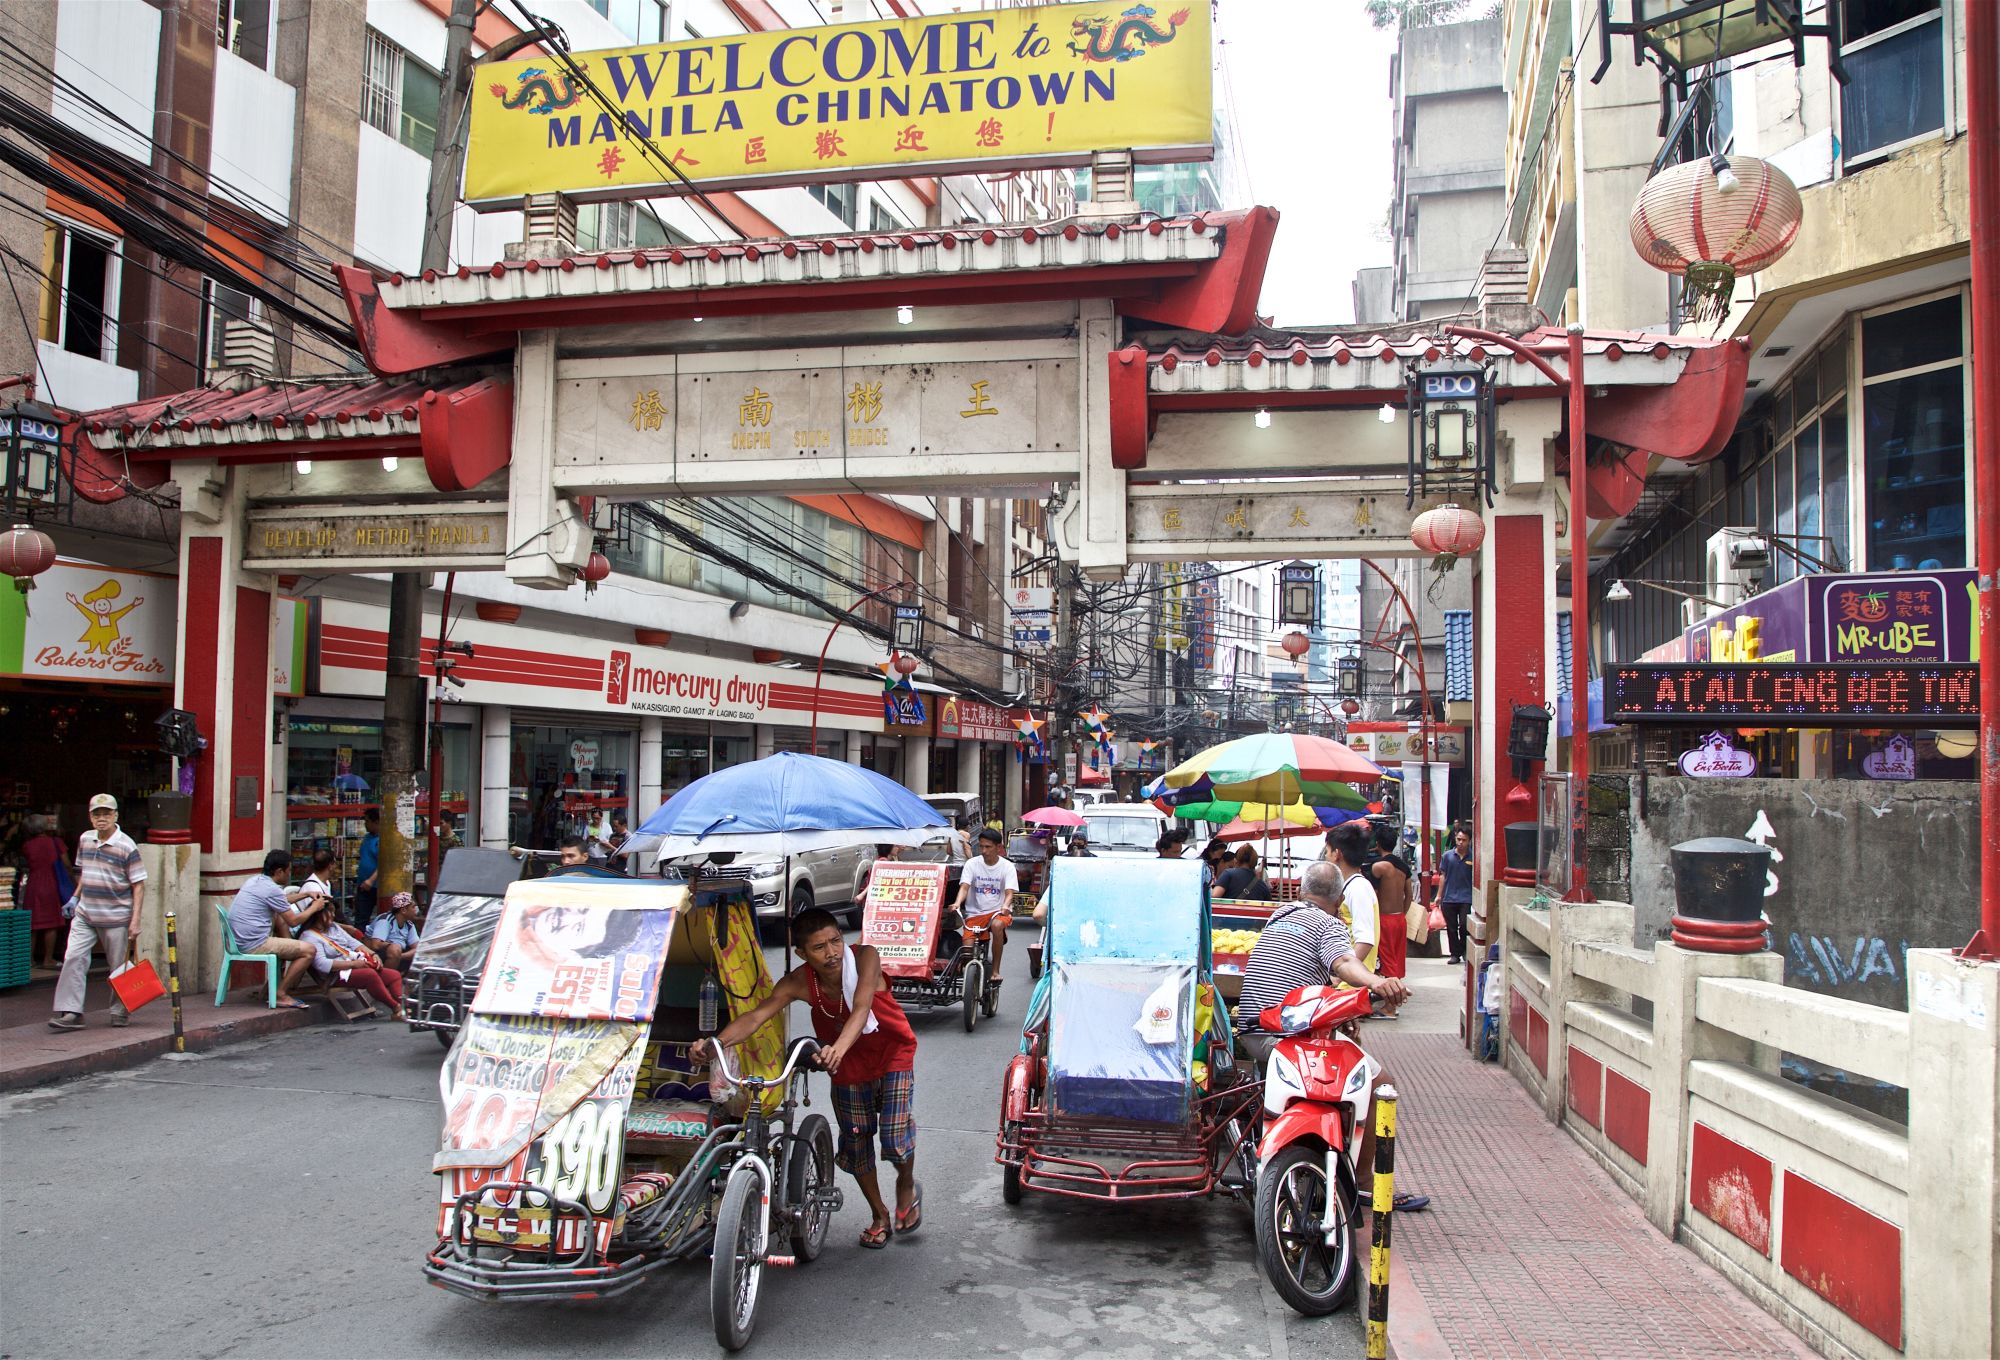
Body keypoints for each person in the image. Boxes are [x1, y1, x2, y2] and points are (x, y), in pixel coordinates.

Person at [693, 908, 919, 1248]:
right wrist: (716, 1045)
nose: (831, 953)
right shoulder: (799, 982)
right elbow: (757, 1016)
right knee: (856, 1141)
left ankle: (905, 1182)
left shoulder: (865, 957)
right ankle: (879, 1214)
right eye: (818, 947)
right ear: (802, 953)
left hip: (891, 1055)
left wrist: (838, 1048)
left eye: (835, 942)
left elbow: (861, 1007)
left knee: (894, 1139)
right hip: (845, 1063)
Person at [1234, 859, 1426, 1211]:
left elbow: (1308, 980)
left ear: (1299, 890)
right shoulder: (1329, 924)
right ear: (1338, 900)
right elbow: (1344, 964)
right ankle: (1366, 1184)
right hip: (1288, 1039)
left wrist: (1339, 1013)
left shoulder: (1279, 916)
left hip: (1251, 1034)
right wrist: (1377, 982)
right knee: (1380, 1083)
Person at [47, 795, 146, 1031]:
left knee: (119, 967)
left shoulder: (127, 845)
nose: (101, 818)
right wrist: (75, 897)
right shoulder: (86, 839)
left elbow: (139, 884)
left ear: (116, 816)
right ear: (90, 817)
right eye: (97, 814)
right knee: (73, 958)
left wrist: (135, 920)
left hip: (115, 916)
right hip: (85, 913)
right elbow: (84, 872)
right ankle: (71, 1012)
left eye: (106, 813)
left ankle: (119, 1011)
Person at [225, 849, 318, 1010]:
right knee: (309, 950)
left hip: (238, 940)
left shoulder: (255, 881)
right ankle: (281, 993)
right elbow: (293, 921)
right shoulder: (272, 889)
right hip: (254, 944)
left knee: (279, 917)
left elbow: (280, 901)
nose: (289, 875)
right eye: (288, 871)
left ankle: (289, 952)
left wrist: (306, 894)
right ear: (279, 871)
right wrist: (314, 907)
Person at [297, 897, 404, 1012]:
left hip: (355, 964)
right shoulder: (309, 936)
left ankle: (403, 1006)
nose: (333, 915)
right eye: (330, 912)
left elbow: (355, 944)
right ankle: (396, 1008)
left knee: (394, 975)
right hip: (336, 974)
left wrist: (373, 955)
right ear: (319, 914)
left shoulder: (334, 927)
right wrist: (354, 964)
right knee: (370, 975)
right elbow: (322, 964)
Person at [951, 827, 1015, 980]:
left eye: (988, 847)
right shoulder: (972, 864)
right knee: (966, 951)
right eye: (981, 846)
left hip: (997, 913)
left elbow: (1009, 893)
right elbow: (964, 887)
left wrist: (1005, 906)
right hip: (975, 914)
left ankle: (995, 971)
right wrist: (957, 903)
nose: (984, 850)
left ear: (998, 847)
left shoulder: (1007, 867)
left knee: (997, 926)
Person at [1368, 823, 1411, 1020]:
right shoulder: (1403, 868)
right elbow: (1408, 895)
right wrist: (1402, 913)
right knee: (1396, 960)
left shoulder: (1379, 867)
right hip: (1400, 918)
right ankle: (1393, 1002)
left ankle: (1390, 1007)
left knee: (1387, 962)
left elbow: (1373, 894)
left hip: (1384, 919)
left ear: (1377, 843)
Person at [1324, 822, 1379, 971]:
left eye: (1327, 851)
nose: (1326, 857)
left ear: (1337, 854)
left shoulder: (1358, 888)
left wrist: (1341, 973)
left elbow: (1365, 940)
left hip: (1351, 985)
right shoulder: (1349, 885)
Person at [18, 812, 69, 971]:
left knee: (32, 924)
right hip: (50, 883)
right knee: (51, 924)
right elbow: (66, 863)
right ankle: (48, 959)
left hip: (33, 885)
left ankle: (29, 959)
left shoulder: (27, 845)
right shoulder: (56, 842)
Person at [1437, 827, 1476, 965]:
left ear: (1469, 841)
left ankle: (1464, 949)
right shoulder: (1447, 856)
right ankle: (1454, 954)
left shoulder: (1473, 857)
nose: (1460, 843)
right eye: (1458, 839)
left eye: (1464, 840)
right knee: (1451, 928)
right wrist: (1439, 896)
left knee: (1464, 926)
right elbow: (1443, 876)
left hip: (1466, 898)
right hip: (1449, 897)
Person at [367, 891, 422, 971]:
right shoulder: (385, 920)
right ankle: (386, 979)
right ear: (403, 910)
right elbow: (375, 944)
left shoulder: (409, 925)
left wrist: (400, 956)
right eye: (413, 907)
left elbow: (417, 948)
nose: (416, 910)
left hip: (397, 954)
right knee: (395, 949)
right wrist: (394, 949)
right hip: (377, 954)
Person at [354, 810, 381, 923]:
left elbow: (383, 863)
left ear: (376, 822)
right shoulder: (367, 838)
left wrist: (370, 880)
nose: (365, 824)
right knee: (361, 919)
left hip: (376, 886)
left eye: (367, 821)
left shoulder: (383, 839)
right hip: (363, 885)